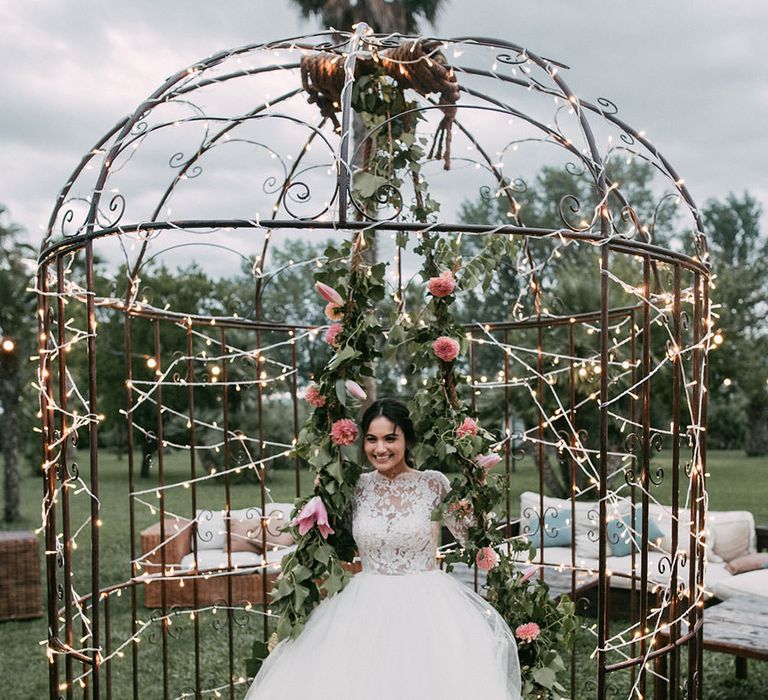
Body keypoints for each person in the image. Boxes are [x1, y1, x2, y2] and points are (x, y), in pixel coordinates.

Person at [245, 397, 521, 699]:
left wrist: (476, 499)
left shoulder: (433, 484)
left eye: (391, 438)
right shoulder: (355, 487)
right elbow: (326, 540)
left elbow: (471, 538)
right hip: (364, 605)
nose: (380, 449)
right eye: (372, 439)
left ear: (407, 439)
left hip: (429, 606)